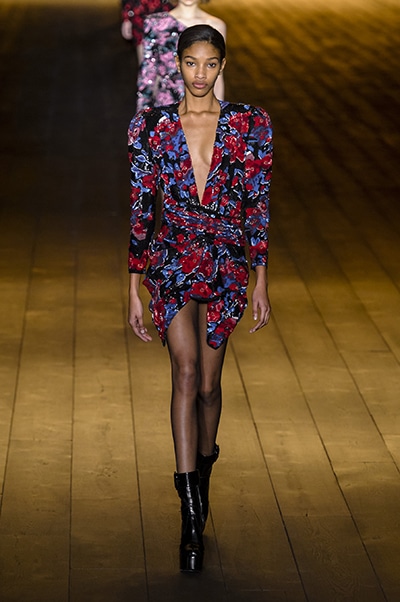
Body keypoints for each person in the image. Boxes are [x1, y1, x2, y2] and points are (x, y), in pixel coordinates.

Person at [127, 24, 273, 573]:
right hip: (170, 259)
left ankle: (203, 469)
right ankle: (191, 517)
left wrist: (261, 276)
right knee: (185, 372)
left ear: (222, 65)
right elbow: (141, 207)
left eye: (210, 64)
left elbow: (257, 202)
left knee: (210, 386)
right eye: (191, 63)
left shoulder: (250, 124)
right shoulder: (151, 127)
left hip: (226, 262)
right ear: (177, 64)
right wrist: (132, 286)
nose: (200, 74)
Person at [136, 0, 226, 110]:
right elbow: (147, 73)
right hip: (166, 104)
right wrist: (142, 113)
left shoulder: (216, 25)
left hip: (202, 105)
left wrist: (220, 112)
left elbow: (218, 75)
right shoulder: (155, 23)